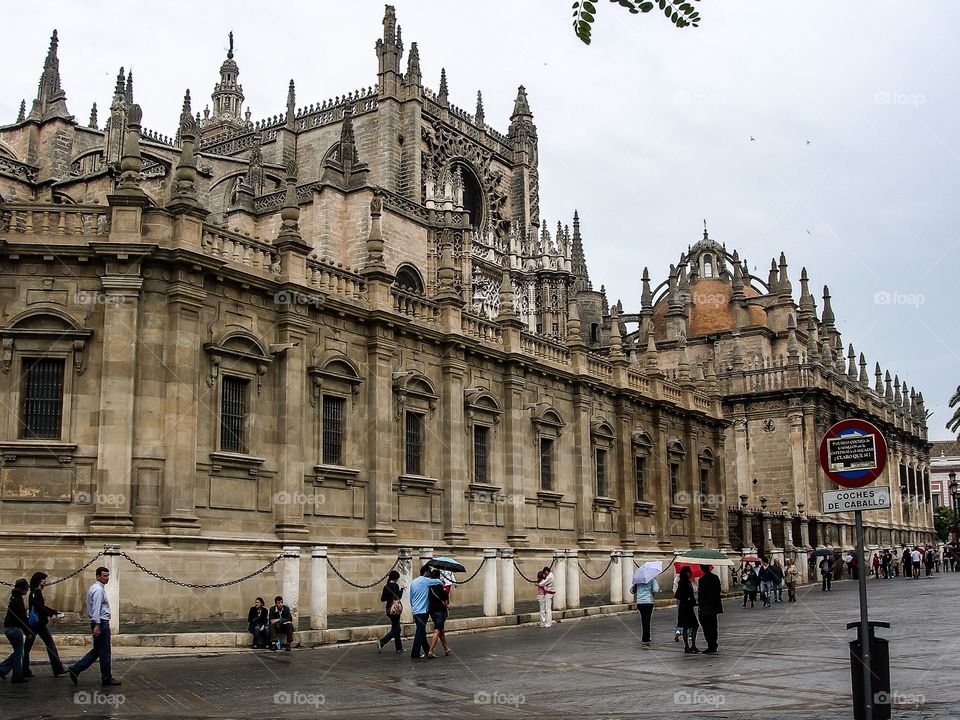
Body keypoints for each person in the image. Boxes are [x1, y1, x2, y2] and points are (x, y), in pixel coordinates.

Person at [68, 566, 121, 686]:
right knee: (105, 651)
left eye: (108, 575)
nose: (107, 578)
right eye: (104, 576)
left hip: (99, 622)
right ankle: (106, 677)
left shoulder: (95, 588)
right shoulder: (98, 590)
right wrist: (97, 625)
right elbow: (96, 608)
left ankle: (76, 669)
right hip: (101, 622)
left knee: (98, 650)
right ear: (98, 576)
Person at [23, 572, 67, 677]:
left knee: (26, 648)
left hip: (35, 624)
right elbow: (40, 607)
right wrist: (53, 613)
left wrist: (53, 612)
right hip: (39, 624)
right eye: (44, 579)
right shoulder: (37, 592)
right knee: (50, 645)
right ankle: (58, 669)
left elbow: (40, 606)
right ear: (39, 581)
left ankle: (23, 669)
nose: (45, 581)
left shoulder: (33, 592)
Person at [0, 578, 32, 683]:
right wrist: (28, 632)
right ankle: (17, 676)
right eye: (26, 589)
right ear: (23, 589)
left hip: (9, 628)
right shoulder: (18, 600)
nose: (27, 591)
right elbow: (22, 618)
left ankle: (2, 669)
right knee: (19, 654)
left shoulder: (13, 598)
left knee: (18, 651)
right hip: (14, 629)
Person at [408, 565, 442, 659]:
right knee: (420, 631)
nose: (430, 574)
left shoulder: (413, 582)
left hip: (415, 610)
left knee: (421, 630)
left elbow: (411, 597)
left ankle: (427, 649)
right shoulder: (426, 581)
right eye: (429, 572)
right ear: (426, 572)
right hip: (423, 610)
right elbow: (439, 582)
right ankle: (415, 652)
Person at [696, 565, 723, 655]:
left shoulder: (702, 580)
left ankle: (710, 644)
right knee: (714, 626)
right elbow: (719, 590)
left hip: (705, 607)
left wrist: (699, 604)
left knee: (706, 627)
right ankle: (714, 644)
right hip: (714, 606)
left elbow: (701, 595)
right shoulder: (715, 577)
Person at [674, 566, 700, 653]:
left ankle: (691, 645)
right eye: (689, 572)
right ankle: (688, 645)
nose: (690, 573)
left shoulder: (688, 582)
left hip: (687, 606)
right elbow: (677, 595)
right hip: (685, 607)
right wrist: (687, 598)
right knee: (693, 626)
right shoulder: (682, 583)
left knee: (689, 626)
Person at [377, 570, 404, 653]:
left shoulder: (386, 586)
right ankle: (382, 641)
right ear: (396, 578)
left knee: (396, 628)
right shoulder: (396, 586)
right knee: (396, 629)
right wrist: (402, 589)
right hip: (395, 610)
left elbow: (382, 599)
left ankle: (399, 648)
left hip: (388, 609)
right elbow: (398, 597)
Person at [426, 569, 450, 658]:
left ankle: (446, 649)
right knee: (437, 630)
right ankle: (431, 651)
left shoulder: (428, 586)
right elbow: (445, 596)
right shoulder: (439, 586)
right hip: (440, 610)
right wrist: (443, 587)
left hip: (432, 610)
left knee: (441, 629)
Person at [630, 574, 660, 645]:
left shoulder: (637, 580)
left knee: (643, 619)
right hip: (648, 602)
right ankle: (646, 637)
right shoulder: (652, 579)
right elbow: (656, 589)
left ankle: (644, 636)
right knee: (647, 619)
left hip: (640, 602)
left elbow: (631, 590)